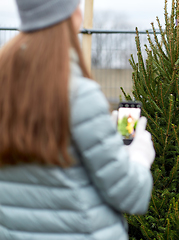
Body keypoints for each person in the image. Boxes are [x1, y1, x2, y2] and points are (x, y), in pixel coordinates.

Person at [0, 1, 155, 239]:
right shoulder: (80, 95)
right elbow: (130, 196)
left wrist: (102, 136)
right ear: (73, 16)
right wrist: (139, 154)